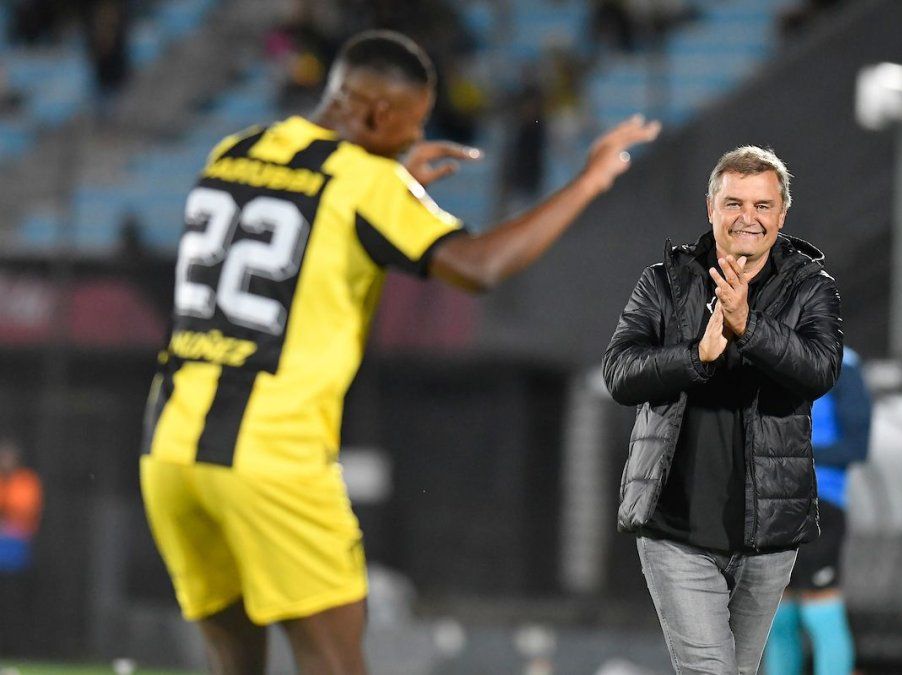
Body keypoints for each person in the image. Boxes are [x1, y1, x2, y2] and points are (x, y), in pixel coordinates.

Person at [141, 29, 660, 675]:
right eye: (407, 128)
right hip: (272, 453)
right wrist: (587, 181)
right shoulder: (367, 183)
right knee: (334, 663)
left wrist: (389, 180)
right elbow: (480, 266)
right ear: (372, 113)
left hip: (170, 447)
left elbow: (297, 219)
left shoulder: (232, 149)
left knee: (232, 663)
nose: (408, 143)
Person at [602, 145, 843, 674]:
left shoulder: (810, 288)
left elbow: (820, 370)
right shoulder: (662, 283)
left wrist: (748, 326)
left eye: (762, 205)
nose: (747, 218)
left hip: (768, 536)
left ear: (782, 214)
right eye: (734, 203)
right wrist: (697, 355)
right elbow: (619, 373)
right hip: (675, 528)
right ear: (710, 207)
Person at [762, 346, 871, 675]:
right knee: (776, 616)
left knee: (819, 606)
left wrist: (792, 455)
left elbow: (857, 446)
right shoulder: (765, 355)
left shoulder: (842, 365)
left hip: (820, 503)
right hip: (772, 504)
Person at [0, 438, 44, 654]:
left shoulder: (27, 481)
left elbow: (25, 511)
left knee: (14, 601)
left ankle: (16, 648)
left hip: (16, 552)